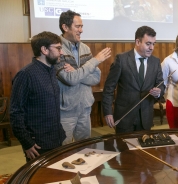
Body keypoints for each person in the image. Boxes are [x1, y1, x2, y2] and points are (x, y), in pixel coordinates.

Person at [55, 10, 111, 144]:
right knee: (64, 152)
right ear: (65, 27)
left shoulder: (85, 48)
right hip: (66, 110)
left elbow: (96, 78)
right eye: (78, 26)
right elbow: (70, 79)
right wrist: (95, 61)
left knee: (84, 148)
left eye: (82, 26)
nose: (81, 30)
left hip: (85, 108)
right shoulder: (57, 49)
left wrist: (76, 71)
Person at [10, 31, 66, 161]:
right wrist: (27, 143)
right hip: (38, 144)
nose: (61, 52)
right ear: (44, 50)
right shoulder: (25, 75)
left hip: (56, 139)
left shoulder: (52, 70)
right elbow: (15, 112)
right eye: (58, 48)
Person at [102, 26, 164, 133]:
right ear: (138, 42)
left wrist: (159, 92)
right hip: (124, 116)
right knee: (124, 148)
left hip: (146, 117)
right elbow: (109, 88)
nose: (152, 48)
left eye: (154, 44)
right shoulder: (121, 60)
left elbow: (161, 85)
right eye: (148, 43)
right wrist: (108, 112)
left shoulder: (155, 62)